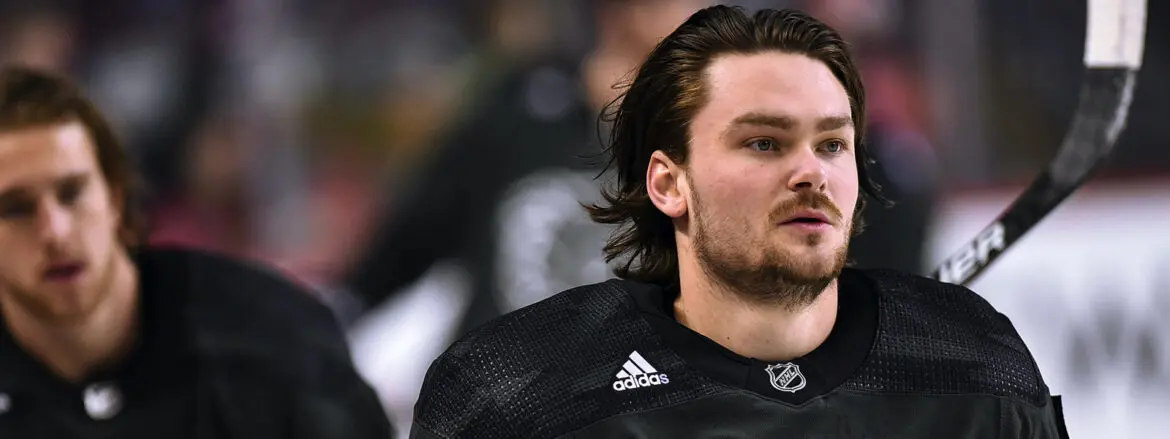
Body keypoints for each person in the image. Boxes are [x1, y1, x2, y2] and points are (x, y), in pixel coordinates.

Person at [409, 6, 1067, 438]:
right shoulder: (511, 396)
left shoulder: (978, 376)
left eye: (833, 144)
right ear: (667, 182)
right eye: (763, 143)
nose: (810, 171)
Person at [0, 66, 393, 438]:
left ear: (115, 198)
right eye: (14, 208)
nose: (56, 231)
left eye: (73, 193)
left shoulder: (273, 342)